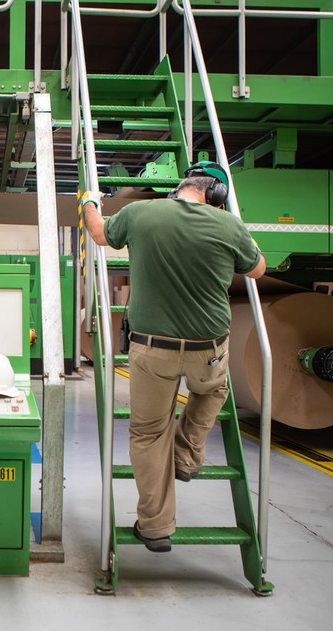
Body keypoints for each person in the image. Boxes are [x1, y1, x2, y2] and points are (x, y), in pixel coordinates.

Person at [80, 162, 266, 553]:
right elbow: (258, 270)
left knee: (148, 434)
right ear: (215, 195)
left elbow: (98, 234)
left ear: (178, 189)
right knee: (214, 392)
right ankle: (185, 454)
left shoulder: (139, 214)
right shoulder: (229, 224)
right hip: (208, 352)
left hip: (152, 351)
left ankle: (155, 526)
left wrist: (90, 201)